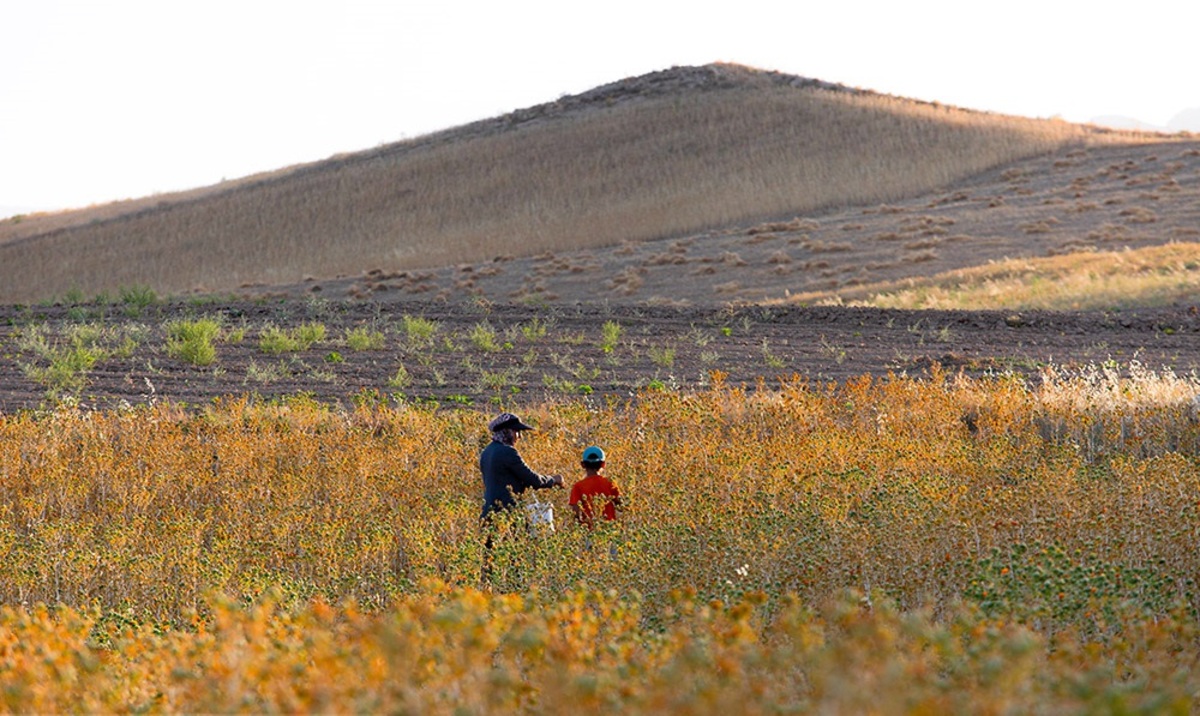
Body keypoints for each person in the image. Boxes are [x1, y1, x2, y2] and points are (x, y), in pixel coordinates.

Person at [479, 411, 562, 588]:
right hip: (508, 513)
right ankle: (513, 593)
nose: (519, 437)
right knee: (514, 557)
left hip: (488, 512)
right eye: (517, 432)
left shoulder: (487, 452)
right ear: (507, 431)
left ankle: (486, 595)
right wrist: (553, 480)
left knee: (489, 559)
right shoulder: (509, 453)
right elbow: (533, 479)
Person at [569, 445, 621, 527]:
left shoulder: (578, 486)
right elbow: (621, 506)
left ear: (583, 465)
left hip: (589, 531)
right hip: (609, 529)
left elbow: (576, 513)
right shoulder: (610, 483)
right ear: (603, 464)